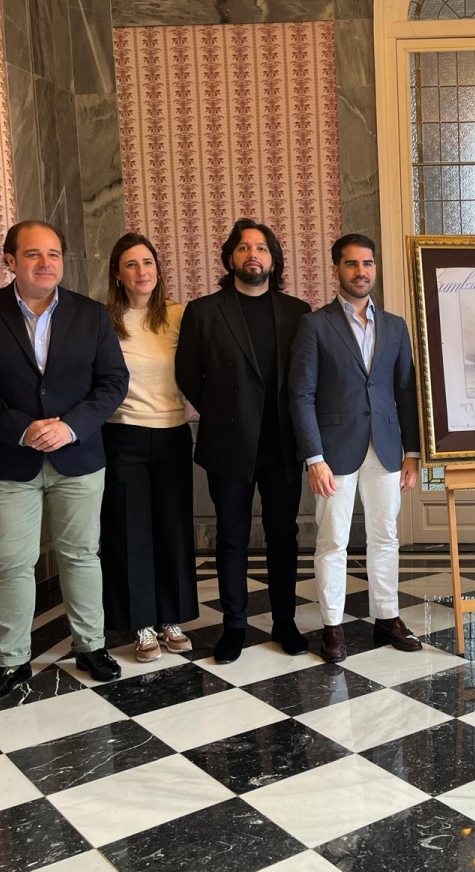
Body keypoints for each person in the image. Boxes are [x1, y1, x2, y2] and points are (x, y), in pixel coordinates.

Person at [0, 220, 127, 701]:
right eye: (33, 254)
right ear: (9, 260)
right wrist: (22, 428)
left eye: (54, 254)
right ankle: (12, 661)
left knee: (82, 555)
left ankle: (91, 646)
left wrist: (69, 426)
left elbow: (112, 382)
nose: (46, 263)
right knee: (10, 564)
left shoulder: (90, 315)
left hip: (79, 456)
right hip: (9, 460)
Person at [175, 218, 311, 664]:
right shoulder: (204, 311)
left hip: (282, 444)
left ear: (274, 260)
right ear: (230, 258)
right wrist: (223, 412)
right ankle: (234, 626)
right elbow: (187, 376)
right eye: (243, 247)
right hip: (228, 441)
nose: (253, 254)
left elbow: (306, 378)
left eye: (262, 248)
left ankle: (284, 622)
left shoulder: (298, 312)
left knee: (283, 536)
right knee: (231, 537)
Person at [289, 234, 422, 663]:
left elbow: (406, 391)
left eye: (367, 263)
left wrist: (413, 451)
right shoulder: (314, 325)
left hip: (385, 448)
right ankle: (332, 626)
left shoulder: (396, 326)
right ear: (336, 270)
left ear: (375, 269)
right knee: (333, 540)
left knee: (386, 536)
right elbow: (301, 395)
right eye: (351, 264)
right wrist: (314, 458)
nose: (361, 271)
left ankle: (387, 617)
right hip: (333, 453)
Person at [100, 233, 197, 662]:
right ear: (118, 275)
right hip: (123, 435)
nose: (142, 272)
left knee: (172, 527)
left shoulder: (178, 315)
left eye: (148, 263)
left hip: (174, 431)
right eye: (131, 265)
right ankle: (142, 625)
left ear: (158, 268)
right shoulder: (104, 319)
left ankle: (170, 618)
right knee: (130, 530)